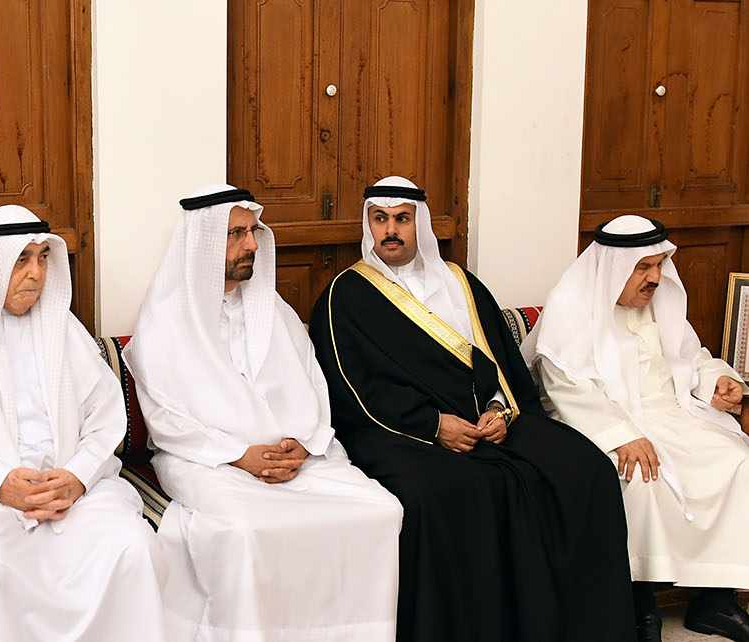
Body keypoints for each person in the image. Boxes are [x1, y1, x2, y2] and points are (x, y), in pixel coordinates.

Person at [308, 176, 634, 642]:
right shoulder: (346, 295)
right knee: (456, 492)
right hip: (400, 431)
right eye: (380, 219)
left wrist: (500, 410)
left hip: (488, 422)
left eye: (402, 219)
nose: (390, 230)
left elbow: (501, 359)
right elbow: (354, 388)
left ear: (420, 223)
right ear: (369, 225)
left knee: (586, 469)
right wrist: (434, 425)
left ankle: (582, 627)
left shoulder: (460, 282)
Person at [125, 185, 402, 640]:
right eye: (236, 233)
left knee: (380, 510)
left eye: (252, 231)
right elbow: (166, 420)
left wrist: (303, 443)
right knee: (244, 531)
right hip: (207, 462)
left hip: (296, 460)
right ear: (203, 241)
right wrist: (241, 455)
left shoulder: (272, 308)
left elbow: (313, 385)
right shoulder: (165, 318)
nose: (252, 243)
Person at [0, 204, 166, 642]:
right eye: (21, 259)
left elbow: (105, 419)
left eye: (42, 258)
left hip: (71, 491)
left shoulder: (65, 330)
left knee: (132, 547)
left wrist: (77, 477)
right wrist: (1, 484)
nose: (36, 273)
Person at [525, 215, 749, 642]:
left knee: (739, 461)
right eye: (643, 268)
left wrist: (717, 381)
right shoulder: (571, 308)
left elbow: (692, 357)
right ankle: (638, 606)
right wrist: (620, 434)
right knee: (641, 475)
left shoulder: (660, 304)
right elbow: (562, 386)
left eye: (659, 265)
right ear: (613, 269)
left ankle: (716, 602)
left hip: (671, 414)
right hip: (603, 421)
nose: (656, 278)